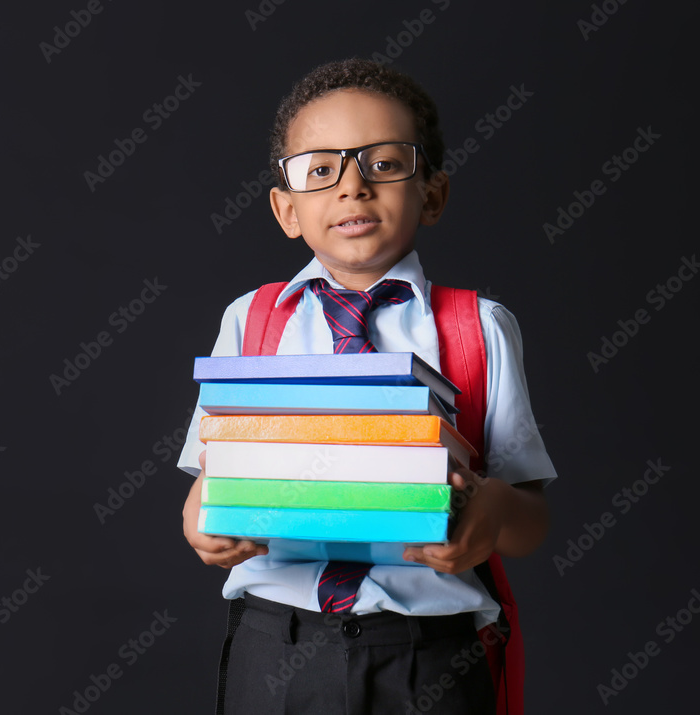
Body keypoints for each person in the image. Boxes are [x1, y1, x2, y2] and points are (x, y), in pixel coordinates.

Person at [177, 58, 556, 714]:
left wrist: (491, 509)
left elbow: (529, 520)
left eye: (384, 164)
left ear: (432, 195)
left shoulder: (479, 327)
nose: (352, 188)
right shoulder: (251, 318)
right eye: (321, 170)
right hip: (275, 646)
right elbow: (206, 479)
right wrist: (200, 521)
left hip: (428, 656)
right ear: (285, 209)